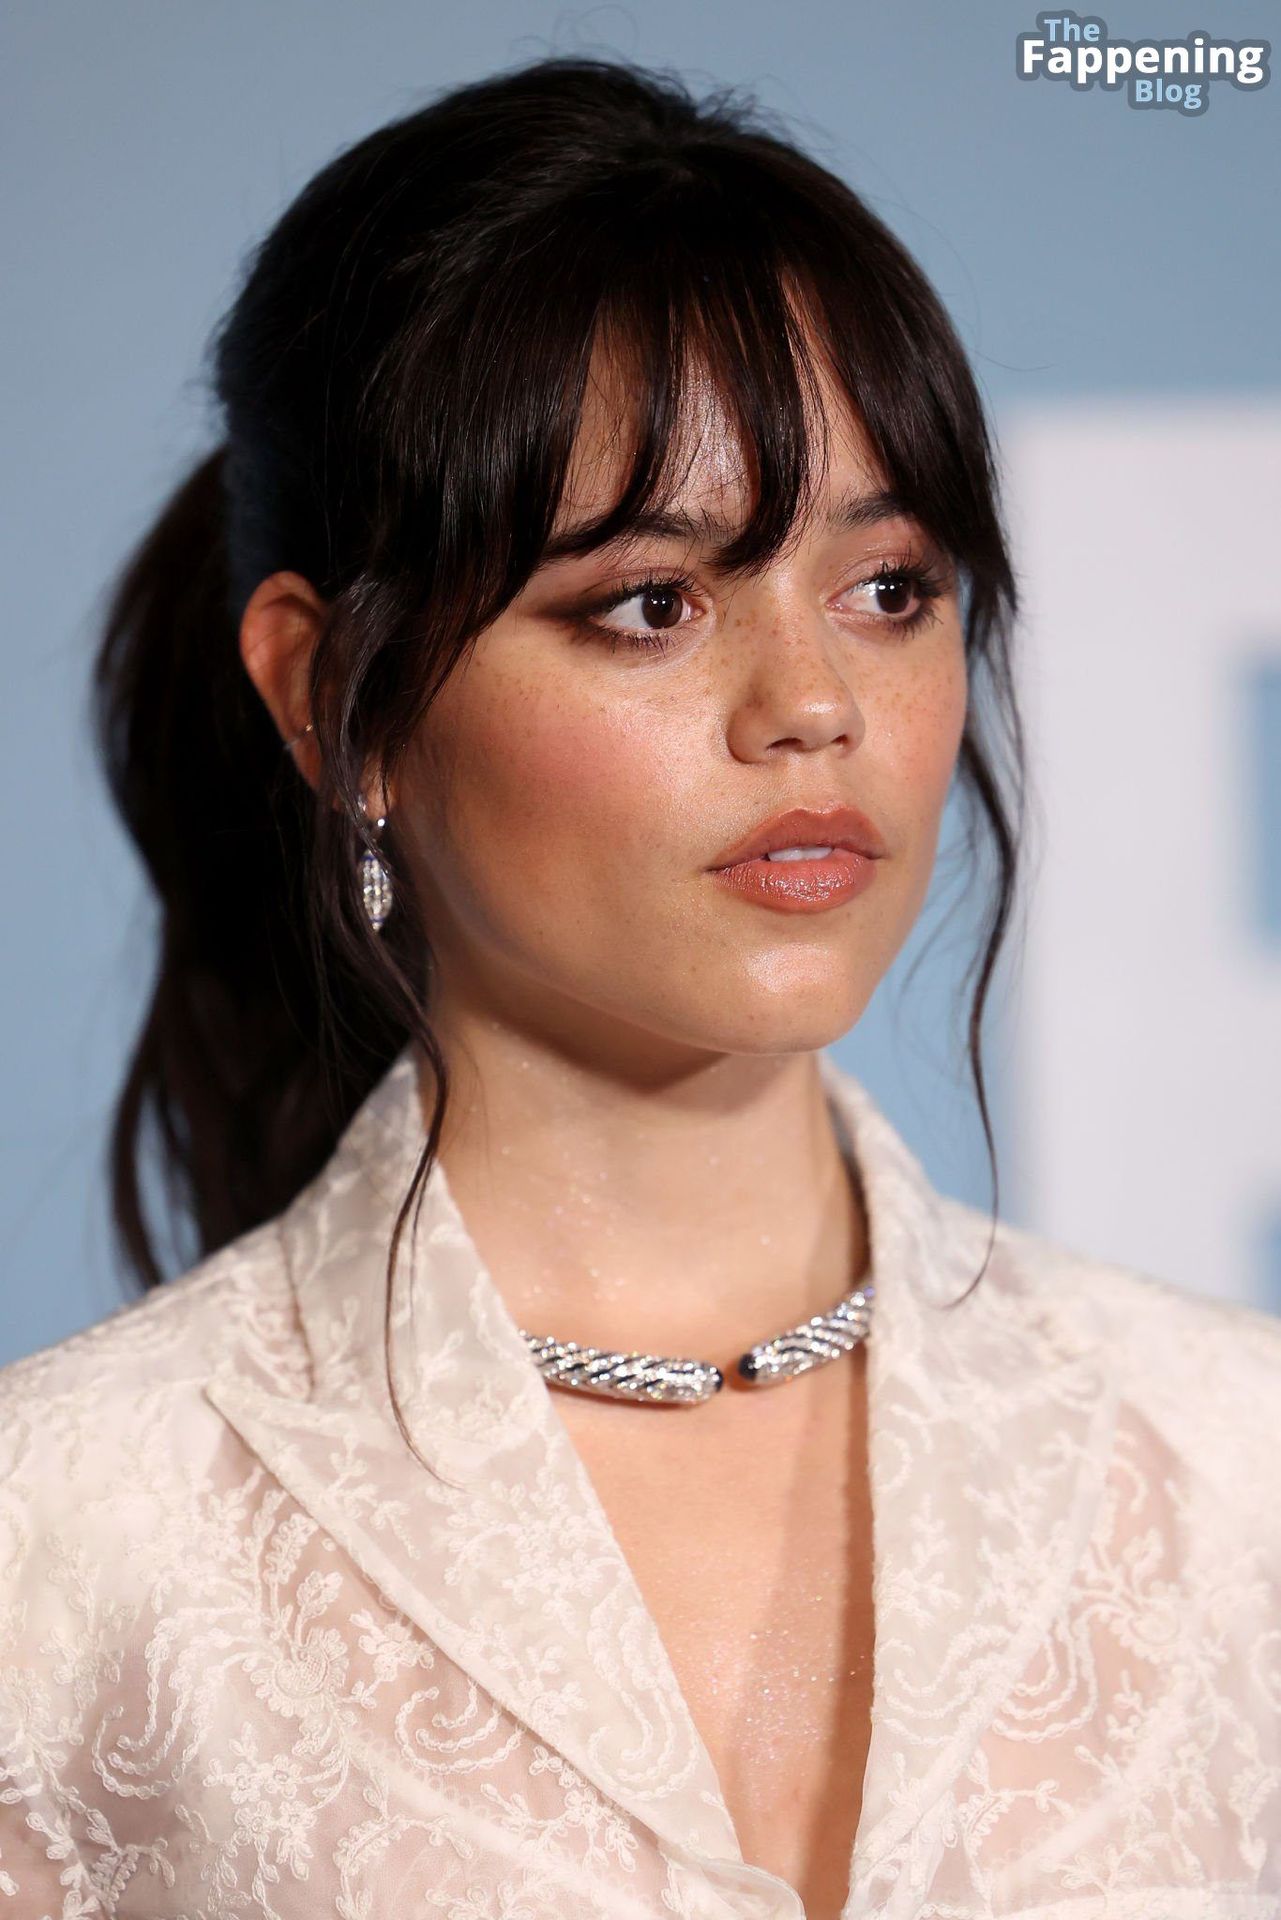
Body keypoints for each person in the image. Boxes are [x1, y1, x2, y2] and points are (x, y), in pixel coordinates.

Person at [1, 53, 1277, 1920]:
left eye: (889, 586)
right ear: (333, 702)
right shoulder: (61, 1548)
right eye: (651, 604)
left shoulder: (1238, 1471)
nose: (813, 705)